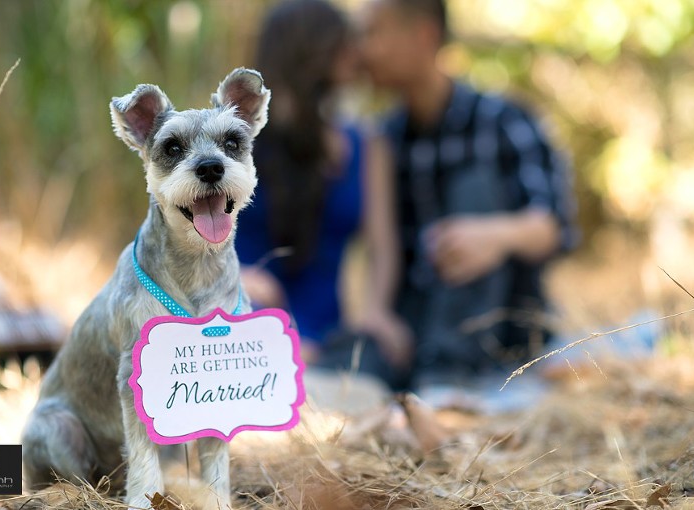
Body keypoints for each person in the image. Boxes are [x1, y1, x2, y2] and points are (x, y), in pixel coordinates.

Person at [358, 0, 578, 390]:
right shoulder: (385, 137)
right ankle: (430, 372)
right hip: (417, 324)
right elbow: (382, 247)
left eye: (375, 33)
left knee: (474, 187)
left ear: (423, 35)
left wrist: (495, 235)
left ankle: (450, 375)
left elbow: (554, 226)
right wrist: (377, 313)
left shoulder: (503, 120)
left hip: (500, 323)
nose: (364, 50)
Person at [236, 0, 411, 388]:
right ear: (312, 51)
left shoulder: (367, 145)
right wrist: (233, 277)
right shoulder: (234, 141)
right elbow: (181, 244)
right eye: (344, 41)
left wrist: (376, 309)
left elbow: (382, 246)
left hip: (326, 338)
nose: (358, 52)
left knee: (379, 361)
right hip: (242, 320)